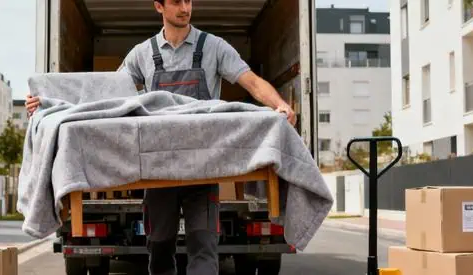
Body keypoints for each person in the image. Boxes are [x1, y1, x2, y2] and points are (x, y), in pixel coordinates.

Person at [25, 0, 295, 274]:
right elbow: (103, 96)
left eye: (189, 1)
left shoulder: (214, 47)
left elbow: (251, 81)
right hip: (157, 171)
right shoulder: (142, 54)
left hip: (204, 167)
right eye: (177, 2)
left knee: (204, 250)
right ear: (159, 6)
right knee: (160, 251)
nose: (185, 7)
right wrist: (47, 102)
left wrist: (278, 104)